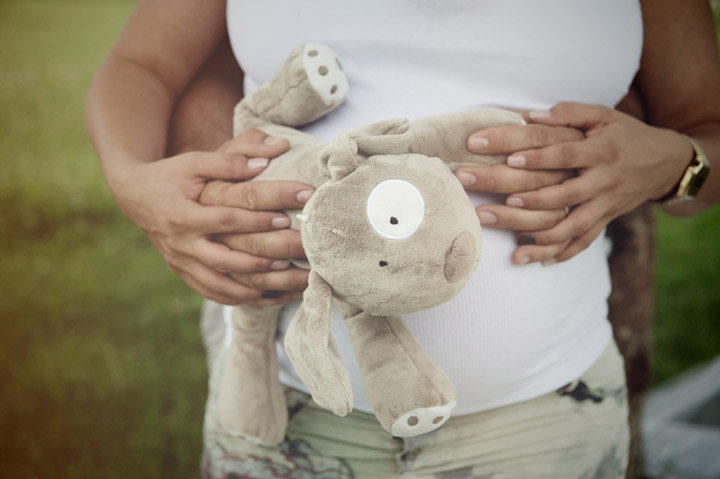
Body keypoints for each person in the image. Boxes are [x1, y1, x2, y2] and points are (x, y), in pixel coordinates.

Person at [85, 1, 720, 477]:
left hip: (542, 425)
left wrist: (674, 164)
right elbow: (141, 64)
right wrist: (136, 185)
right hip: (285, 416)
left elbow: (706, 127)